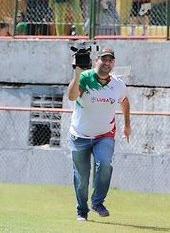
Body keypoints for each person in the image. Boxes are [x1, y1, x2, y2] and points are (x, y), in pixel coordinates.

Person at [67, 47, 130, 221]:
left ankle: (97, 202)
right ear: (96, 61)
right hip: (79, 136)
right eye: (104, 59)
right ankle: (82, 210)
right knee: (82, 178)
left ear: (113, 63)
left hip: (104, 135)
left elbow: (124, 101)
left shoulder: (117, 84)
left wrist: (127, 125)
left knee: (104, 165)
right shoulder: (85, 78)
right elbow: (71, 97)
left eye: (110, 60)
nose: (107, 63)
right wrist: (77, 72)